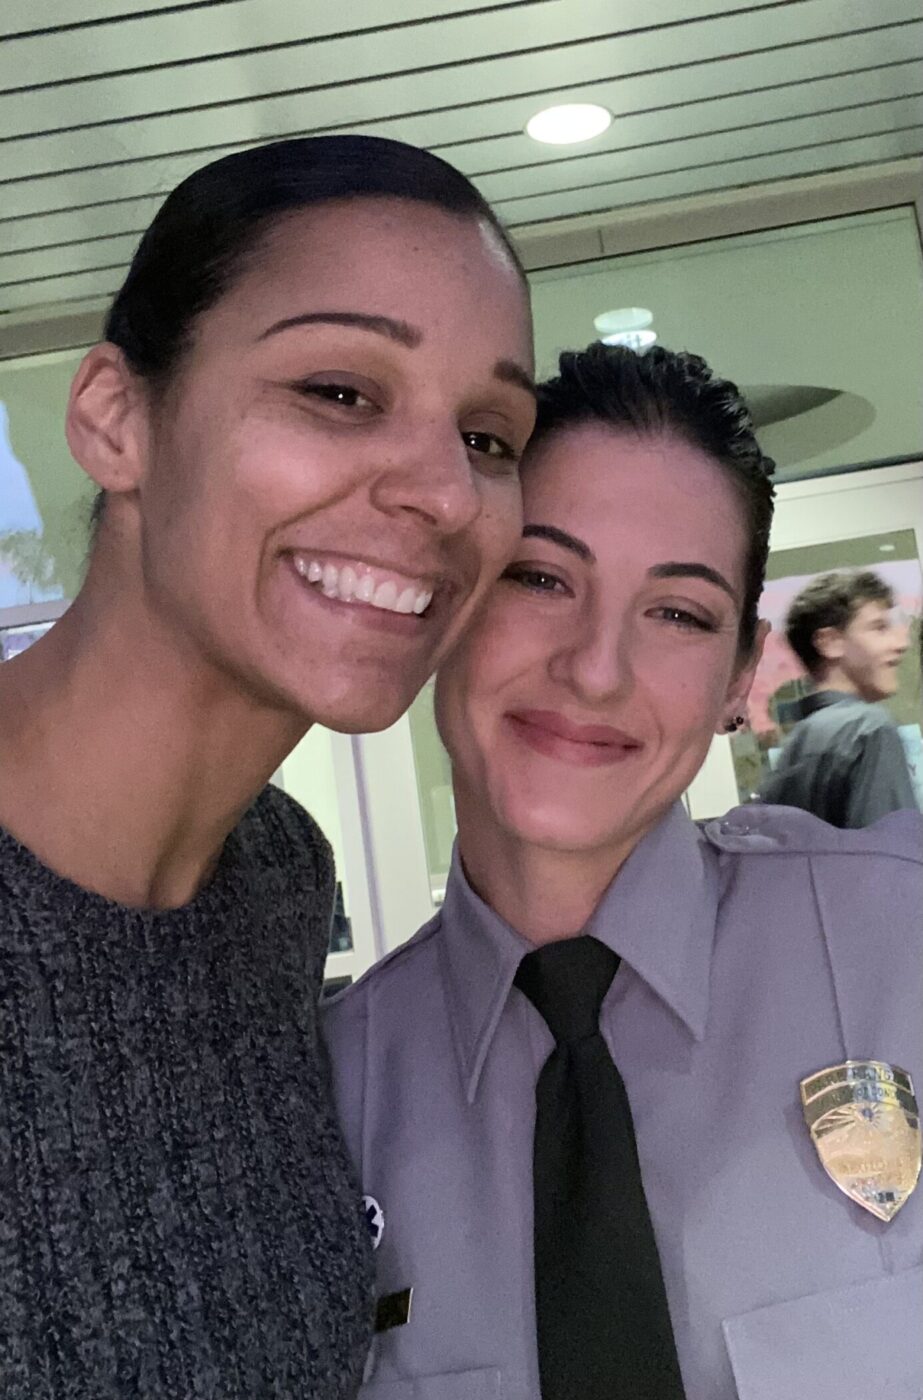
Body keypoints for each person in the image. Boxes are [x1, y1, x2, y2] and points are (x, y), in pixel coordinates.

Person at [0, 135, 536, 1399]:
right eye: (341, 392)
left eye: (490, 433)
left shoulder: (277, 881)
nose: (447, 493)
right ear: (116, 418)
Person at [325, 343, 923, 1400]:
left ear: (738, 674)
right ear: (448, 606)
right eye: (540, 577)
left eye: (678, 612)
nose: (594, 666)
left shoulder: (901, 939)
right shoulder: (330, 1093)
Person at [760, 569, 916, 825]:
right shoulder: (868, 729)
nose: (900, 645)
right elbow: (889, 858)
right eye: (879, 628)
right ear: (830, 642)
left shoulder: (797, 743)